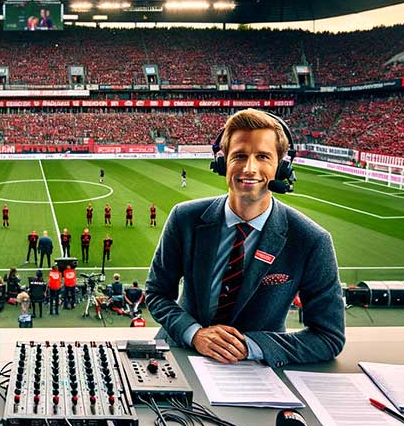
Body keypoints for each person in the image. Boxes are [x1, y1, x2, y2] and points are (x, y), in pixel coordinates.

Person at [145, 108, 345, 367]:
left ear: (281, 167)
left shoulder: (311, 240)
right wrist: (194, 333)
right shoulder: (184, 218)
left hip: (260, 370)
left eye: (263, 156)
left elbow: (329, 337)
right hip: (181, 356)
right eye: (239, 156)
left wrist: (250, 346)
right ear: (222, 163)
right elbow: (157, 292)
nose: (250, 169)